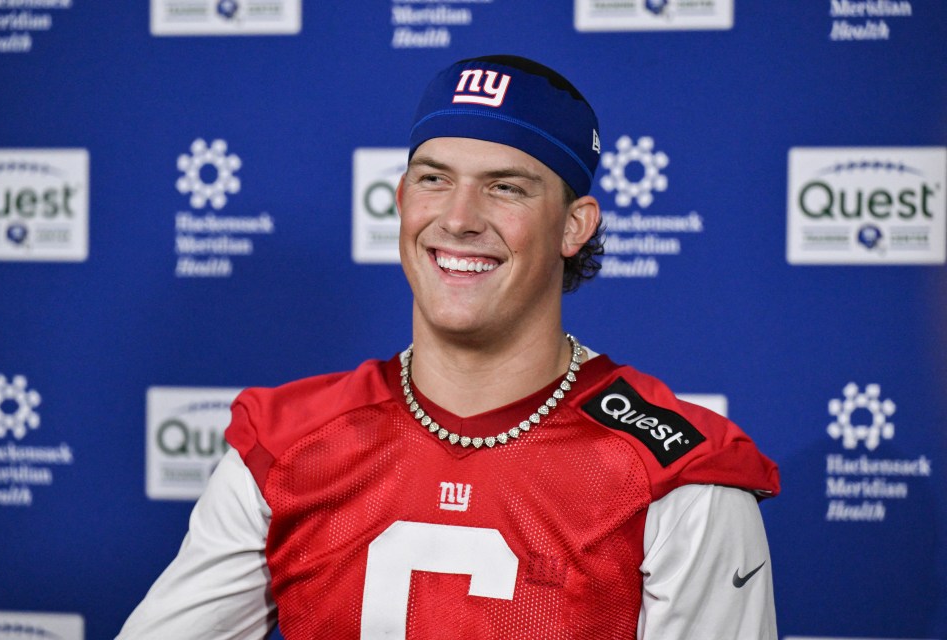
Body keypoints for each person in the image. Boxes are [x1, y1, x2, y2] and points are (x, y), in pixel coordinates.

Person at [119, 54, 780, 639]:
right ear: (403, 199)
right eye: (434, 179)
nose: (459, 218)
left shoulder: (678, 474)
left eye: (505, 186)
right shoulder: (286, 446)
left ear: (574, 225)